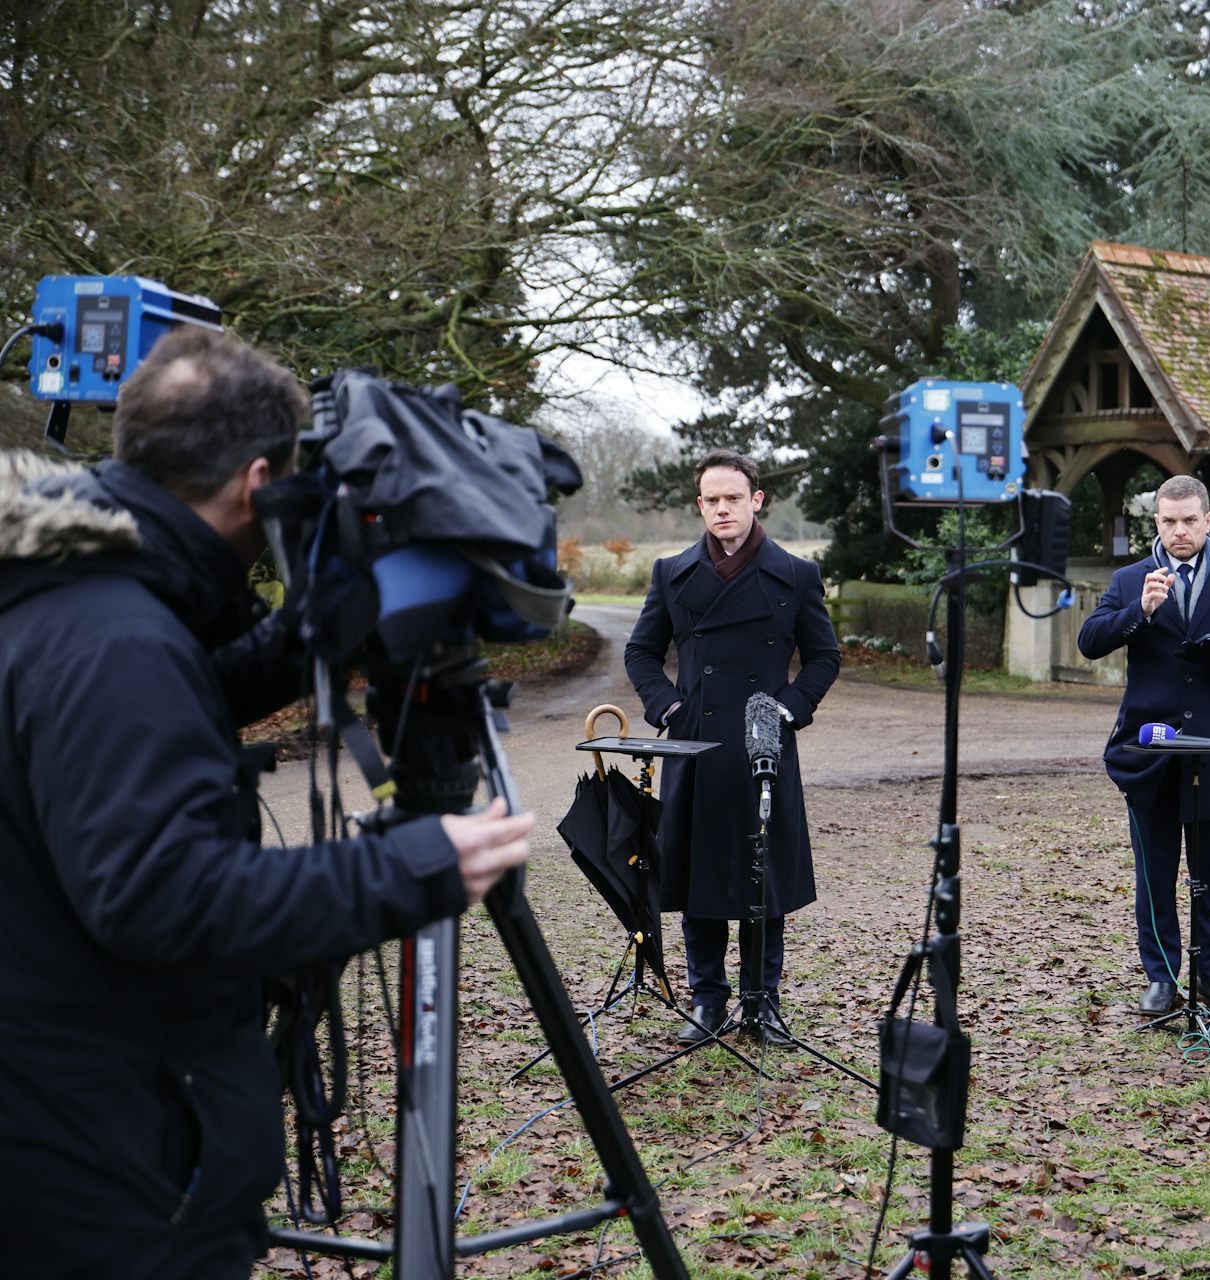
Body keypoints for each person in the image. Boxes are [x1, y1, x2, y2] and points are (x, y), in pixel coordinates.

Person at [0, 328, 535, 1278]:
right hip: (108, 1176)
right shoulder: (116, 639)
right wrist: (418, 863)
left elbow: (156, 705)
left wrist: (303, 638)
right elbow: (163, 897)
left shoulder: (63, 585)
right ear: (259, 483)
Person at [625, 449, 840, 1046]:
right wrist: (668, 706)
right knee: (698, 874)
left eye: (733, 498)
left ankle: (763, 1002)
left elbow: (824, 656)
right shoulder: (672, 572)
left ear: (756, 501)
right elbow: (641, 652)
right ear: (700, 505)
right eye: (711, 500)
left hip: (761, 743)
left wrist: (788, 710)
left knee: (761, 873)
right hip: (695, 743)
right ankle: (708, 999)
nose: (722, 509)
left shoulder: (795, 574)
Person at [1078, 474, 1210, 1018]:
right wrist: (1137, 615)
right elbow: (1090, 641)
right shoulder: (1129, 579)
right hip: (1150, 756)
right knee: (1156, 875)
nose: (1179, 531)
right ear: (1157, 522)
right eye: (1168, 521)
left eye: (1189, 520)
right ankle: (1162, 981)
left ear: (1208, 520)